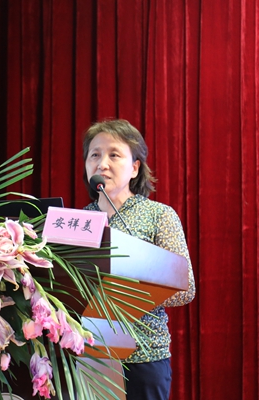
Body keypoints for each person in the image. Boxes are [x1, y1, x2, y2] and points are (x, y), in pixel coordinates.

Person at [81, 119, 196, 400]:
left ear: (134, 168)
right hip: (92, 356)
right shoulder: (78, 221)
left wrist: (126, 289)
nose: (102, 164)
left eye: (114, 155)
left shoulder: (159, 215)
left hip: (144, 356)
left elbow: (186, 288)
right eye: (94, 155)